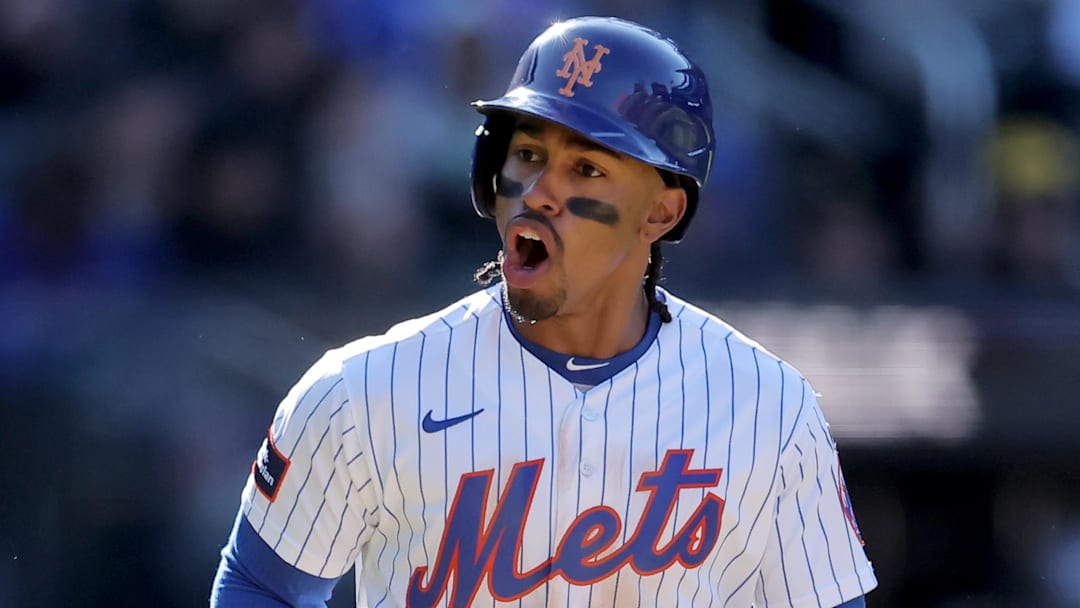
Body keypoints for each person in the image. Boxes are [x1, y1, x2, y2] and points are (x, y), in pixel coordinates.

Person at [210, 16, 878, 607]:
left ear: (662, 211)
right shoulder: (362, 393)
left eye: (586, 168)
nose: (541, 192)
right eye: (528, 155)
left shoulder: (768, 407)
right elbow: (262, 585)